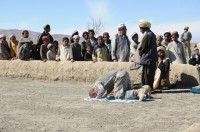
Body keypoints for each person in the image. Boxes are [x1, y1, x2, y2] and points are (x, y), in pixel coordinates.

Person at [137, 19, 157, 92]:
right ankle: (150, 89)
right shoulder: (153, 34)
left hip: (147, 59)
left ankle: (147, 90)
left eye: (140, 28)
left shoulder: (147, 35)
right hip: (151, 58)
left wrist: (139, 51)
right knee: (150, 75)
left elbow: (143, 47)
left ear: (144, 28)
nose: (140, 30)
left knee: (146, 76)